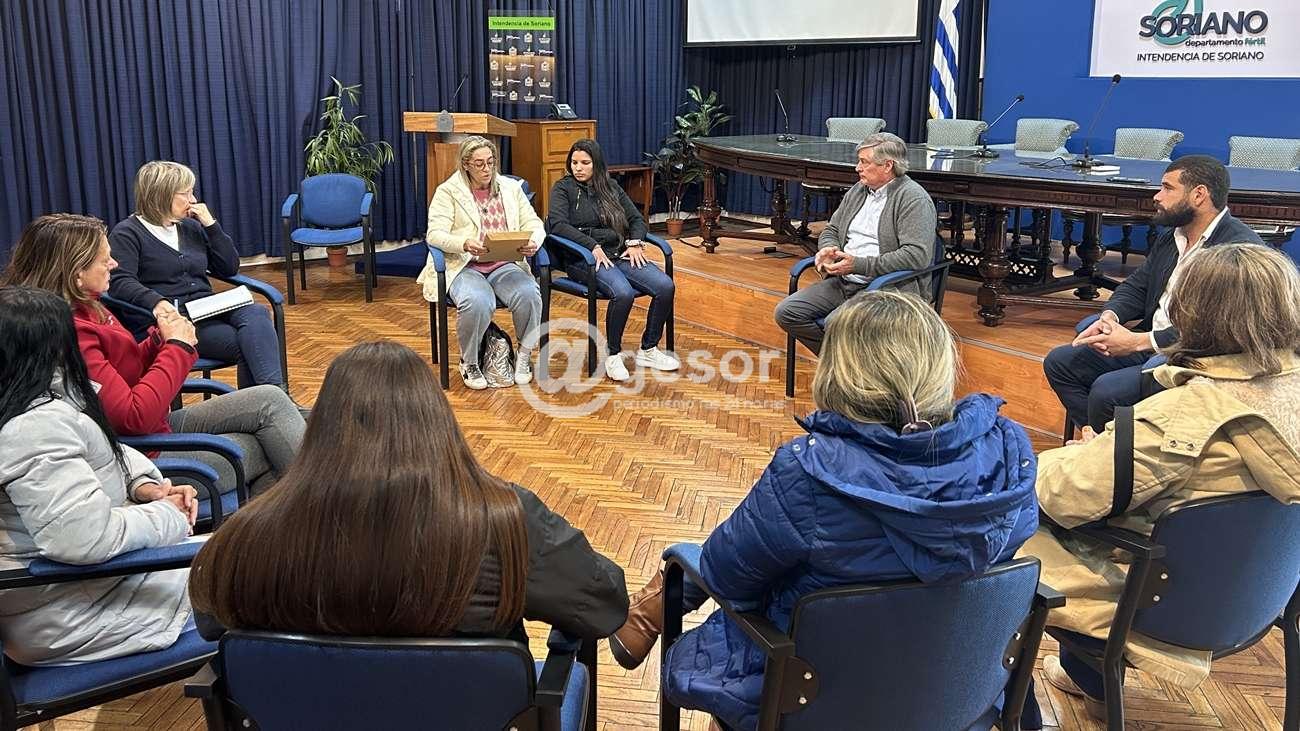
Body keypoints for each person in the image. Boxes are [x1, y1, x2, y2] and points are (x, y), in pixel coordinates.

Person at [609, 290, 1039, 730]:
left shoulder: (808, 475)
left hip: (816, 700)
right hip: (955, 691)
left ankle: (649, 608)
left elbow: (726, 578)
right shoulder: (1008, 458)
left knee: (704, 563)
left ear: (840, 372)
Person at [189, 340, 628, 644]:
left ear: (319, 426)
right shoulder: (507, 521)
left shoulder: (253, 532)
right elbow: (604, 603)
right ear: (438, 423)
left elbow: (209, 622)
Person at [1022, 243, 1300, 720]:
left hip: (1163, 605)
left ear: (1194, 315)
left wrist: (1082, 455)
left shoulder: (1178, 417)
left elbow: (1059, 496)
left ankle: (1017, 697)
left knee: (1006, 531)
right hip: (1261, 593)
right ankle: (1089, 681)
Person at [4, 214, 305, 496]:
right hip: (140, 455)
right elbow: (134, 417)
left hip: (156, 428)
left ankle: (274, 521)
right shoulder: (70, 334)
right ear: (76, 274)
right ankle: (310, 517)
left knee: (273, 401)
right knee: (272, 445)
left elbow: (126, 370)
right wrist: (177, 348)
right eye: (104, 260)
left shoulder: (89, 306)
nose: (114, 264)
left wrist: (158, 340)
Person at [0, 286, 198, 665]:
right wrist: (169, 516)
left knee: (262, 565)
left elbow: (108, 450)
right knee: (267, 580)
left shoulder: (46, 394)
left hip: (97, 586)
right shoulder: (32, 428)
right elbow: (84, 540)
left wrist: (144, 486)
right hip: (79, 611)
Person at [1044, 155, 1265, 434]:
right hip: (1150, 341)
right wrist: (1110, 317)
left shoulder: (1239, 251)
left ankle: (1112, 451)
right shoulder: (1173, 236)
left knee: (1106, 392)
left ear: (1199, 195)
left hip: (1195, 357)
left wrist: (1138, 342)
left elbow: (1217, 329)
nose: (1157, 196)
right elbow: (1138, 286)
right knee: (1060, 363)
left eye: (1167, 188)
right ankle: (1100, 439)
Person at [108, 160, 286, 390]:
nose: (193, 200)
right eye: (186, 193)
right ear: (161, 195)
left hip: (206, 309)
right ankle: (276, 398)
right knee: (251, 345)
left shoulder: (190, 227)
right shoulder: (127, 233)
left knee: (256, 312)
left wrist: (211, 225)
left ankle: (273, 400)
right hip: (173, 320)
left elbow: (228, 267)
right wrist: (157, 302)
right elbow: (120, 282)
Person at [774, 132, 938, 356]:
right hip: (844, 282)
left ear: (887, 165)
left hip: (889, 288)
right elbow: (832, 229)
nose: (857, 168)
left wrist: (858, 265)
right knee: (787, 312)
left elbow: (916, 255)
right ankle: (844, 367)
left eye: (864, 162)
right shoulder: (859, 190)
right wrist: (828, 248)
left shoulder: (913, 199)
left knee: (837, 324)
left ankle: (850, 370)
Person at [417, 136, 545, 390]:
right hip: (464, 265)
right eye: (479, 164)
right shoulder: (448, 191)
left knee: (529, 294)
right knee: (477, 301)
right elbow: (434, 235)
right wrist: (463, 243)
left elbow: (534, 223)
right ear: (466, 164)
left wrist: (534, 241)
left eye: (490, 162)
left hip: (503, 263)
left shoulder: (510, 188)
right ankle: (470, 361)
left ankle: (523, 355)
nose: (487, 169)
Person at [547, 138, 679, 381]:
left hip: (618, 253)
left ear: (596, 164)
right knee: (623, 293)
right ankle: (613, 355)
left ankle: (648, 349)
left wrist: (635, 242)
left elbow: (636, 219)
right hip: (583, 259)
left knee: (665, 286)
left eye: (585, 163)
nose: (578, 168)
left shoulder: (610, 187)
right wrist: (591, 246)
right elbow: (558, 225)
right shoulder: (563, 188)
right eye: (574, 162)